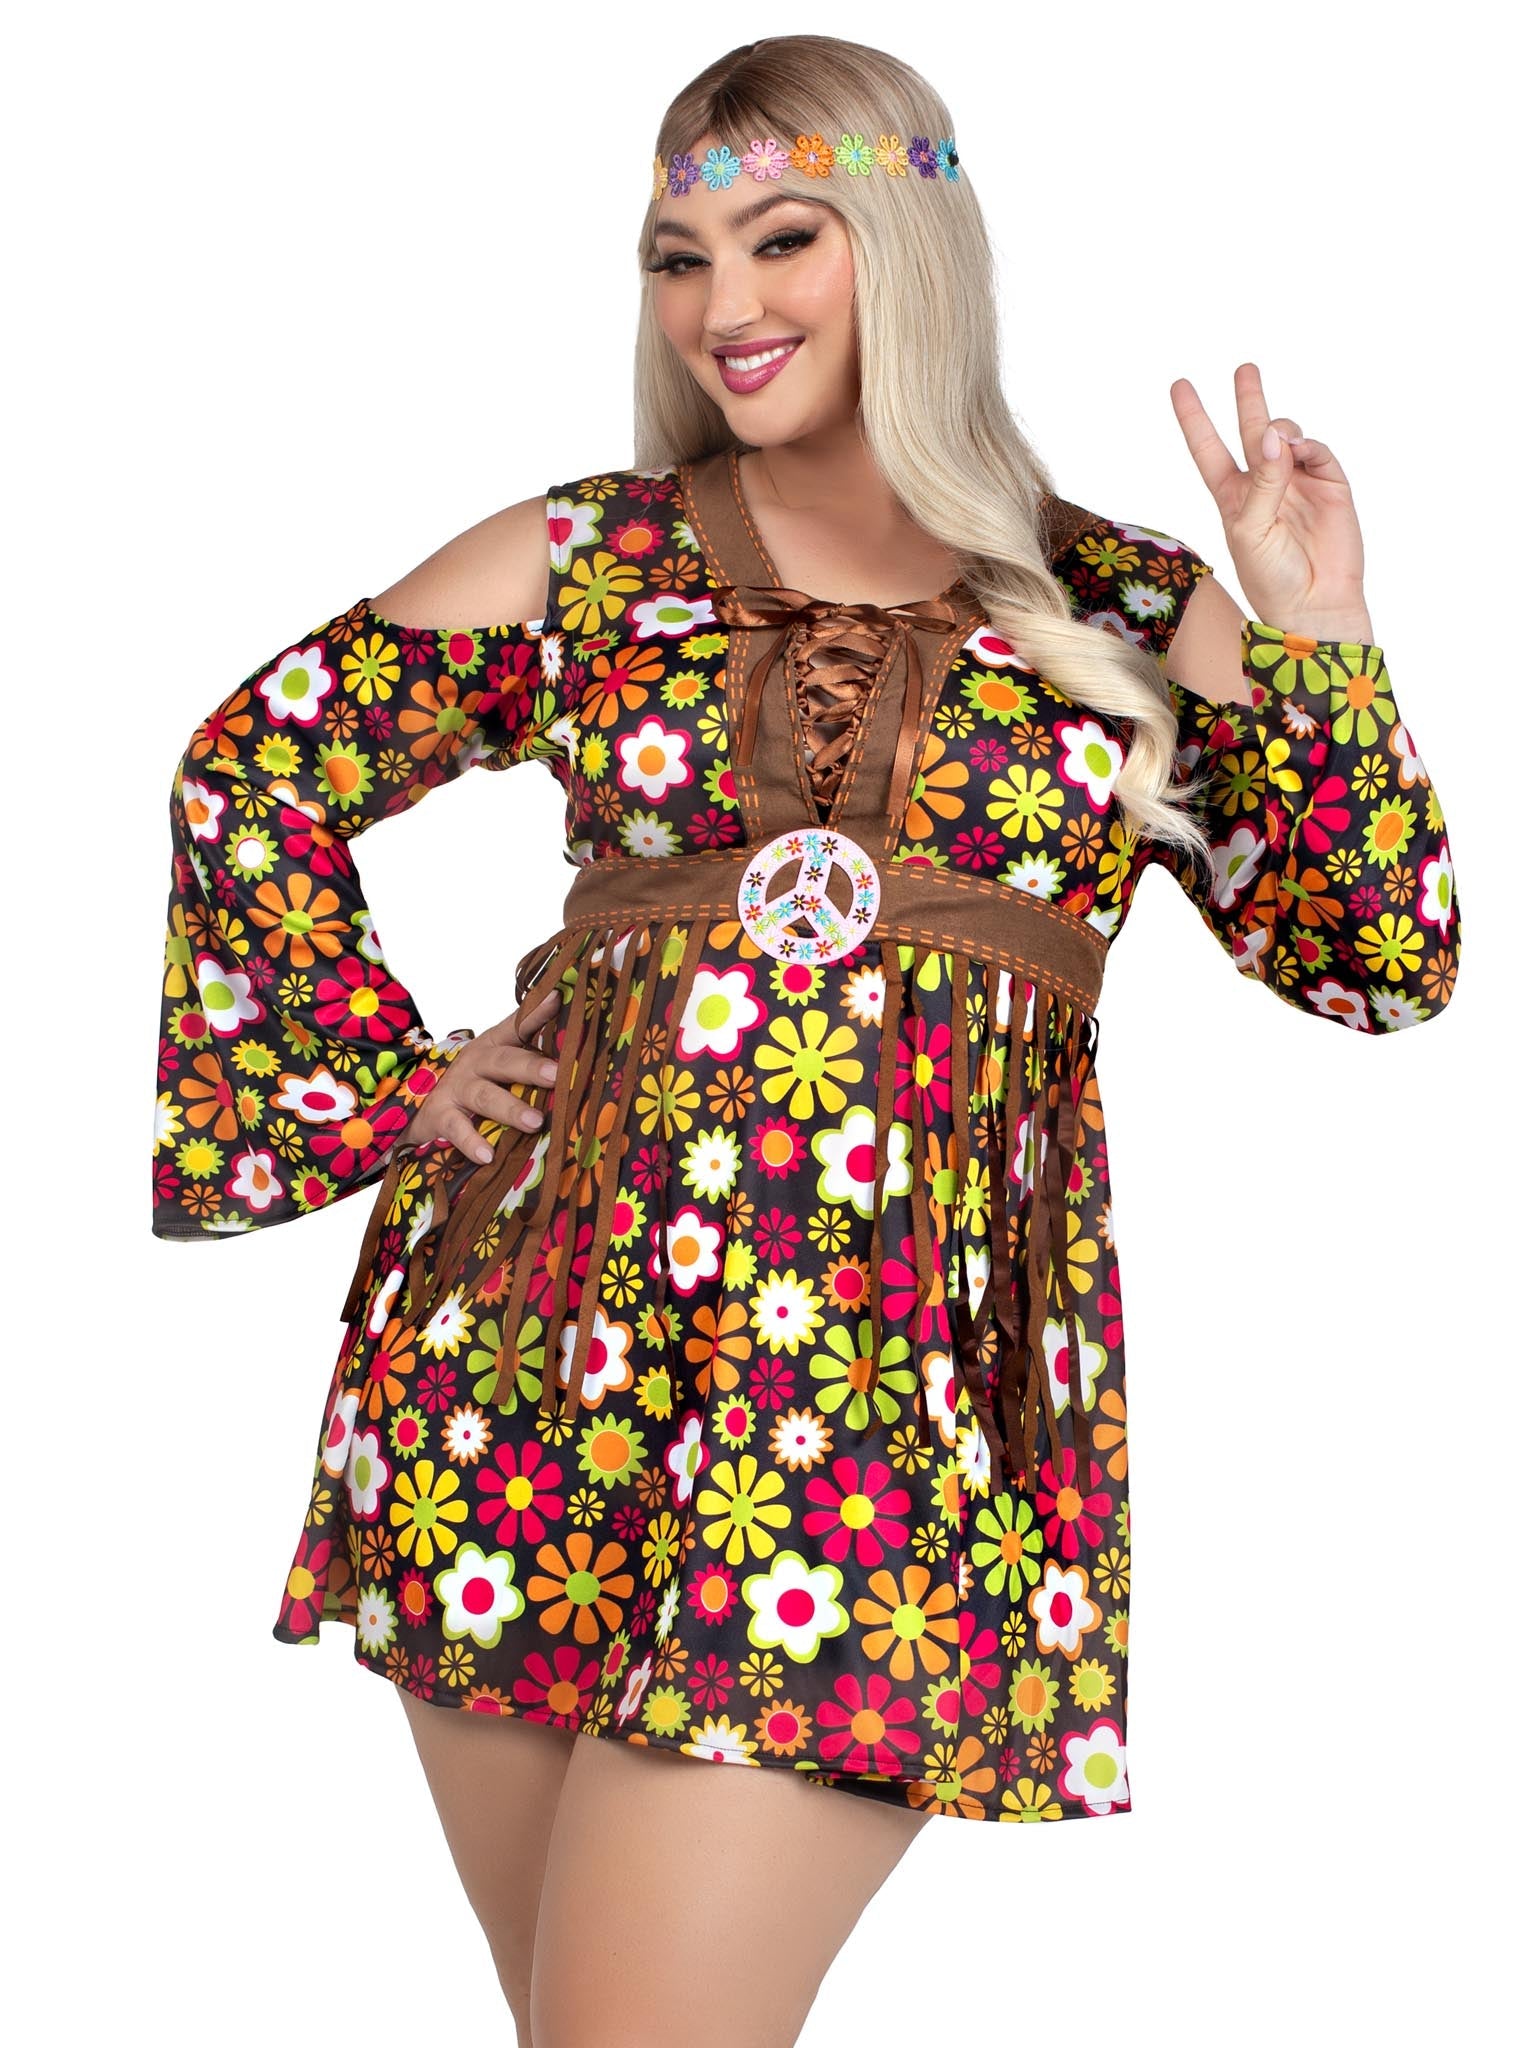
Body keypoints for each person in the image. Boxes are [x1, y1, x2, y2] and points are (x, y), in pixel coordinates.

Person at [149, 33, 1461, 2048]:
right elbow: (253, 771)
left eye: (782, 239)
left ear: (909, 247)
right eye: (678, 258)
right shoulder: (595, 553)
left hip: (870, 1426)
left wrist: (1321, 642)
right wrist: (391, 1076)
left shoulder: (1123, 602)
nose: (723, 304)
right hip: (525, 1378)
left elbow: (1378, 959)